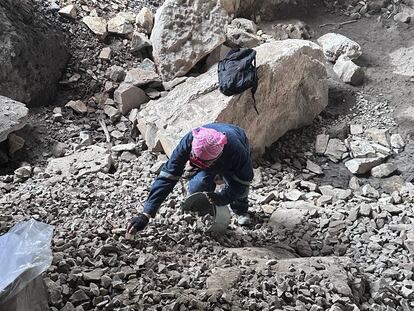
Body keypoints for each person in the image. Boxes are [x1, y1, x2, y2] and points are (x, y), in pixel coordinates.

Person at [126, 123, 254, 234]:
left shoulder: (237, 152)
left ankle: (240, 210)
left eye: (203, 164)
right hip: (211, 151)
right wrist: (146, 213)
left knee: (238, 186)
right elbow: (168, 176)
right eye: (195, 161)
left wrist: (223, 197)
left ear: (216, 158)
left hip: (235, 142)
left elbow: (243, 181)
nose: (200, 166)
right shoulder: (189, 141)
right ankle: (205, 211)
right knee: (198, 185)